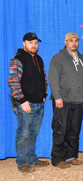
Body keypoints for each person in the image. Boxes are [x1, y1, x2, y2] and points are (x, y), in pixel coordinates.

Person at [8, 32, 50, 173]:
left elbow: (43, 78)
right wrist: (22, 100)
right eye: (31, 42)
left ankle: (32, 159)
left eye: (36, 43)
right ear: (24, 43)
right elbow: (13, 82)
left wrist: (44, 94)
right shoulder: (18, 59)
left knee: (33, 133)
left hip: (39, 102)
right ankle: (22, 162)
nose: (34, 45)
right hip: (26, 104)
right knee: (24, 133)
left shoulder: (39, 59)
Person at [49, 32, 83, 169]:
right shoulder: (58, 58)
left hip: (78, 100)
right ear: (65, 42)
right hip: (63, 100)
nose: (74, 43)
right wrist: (57, 97)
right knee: (60, 129)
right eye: (71, 41)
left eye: (76, 41)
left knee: (74, 130)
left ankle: (71, 156)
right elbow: (53, 79)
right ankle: (58, 158)